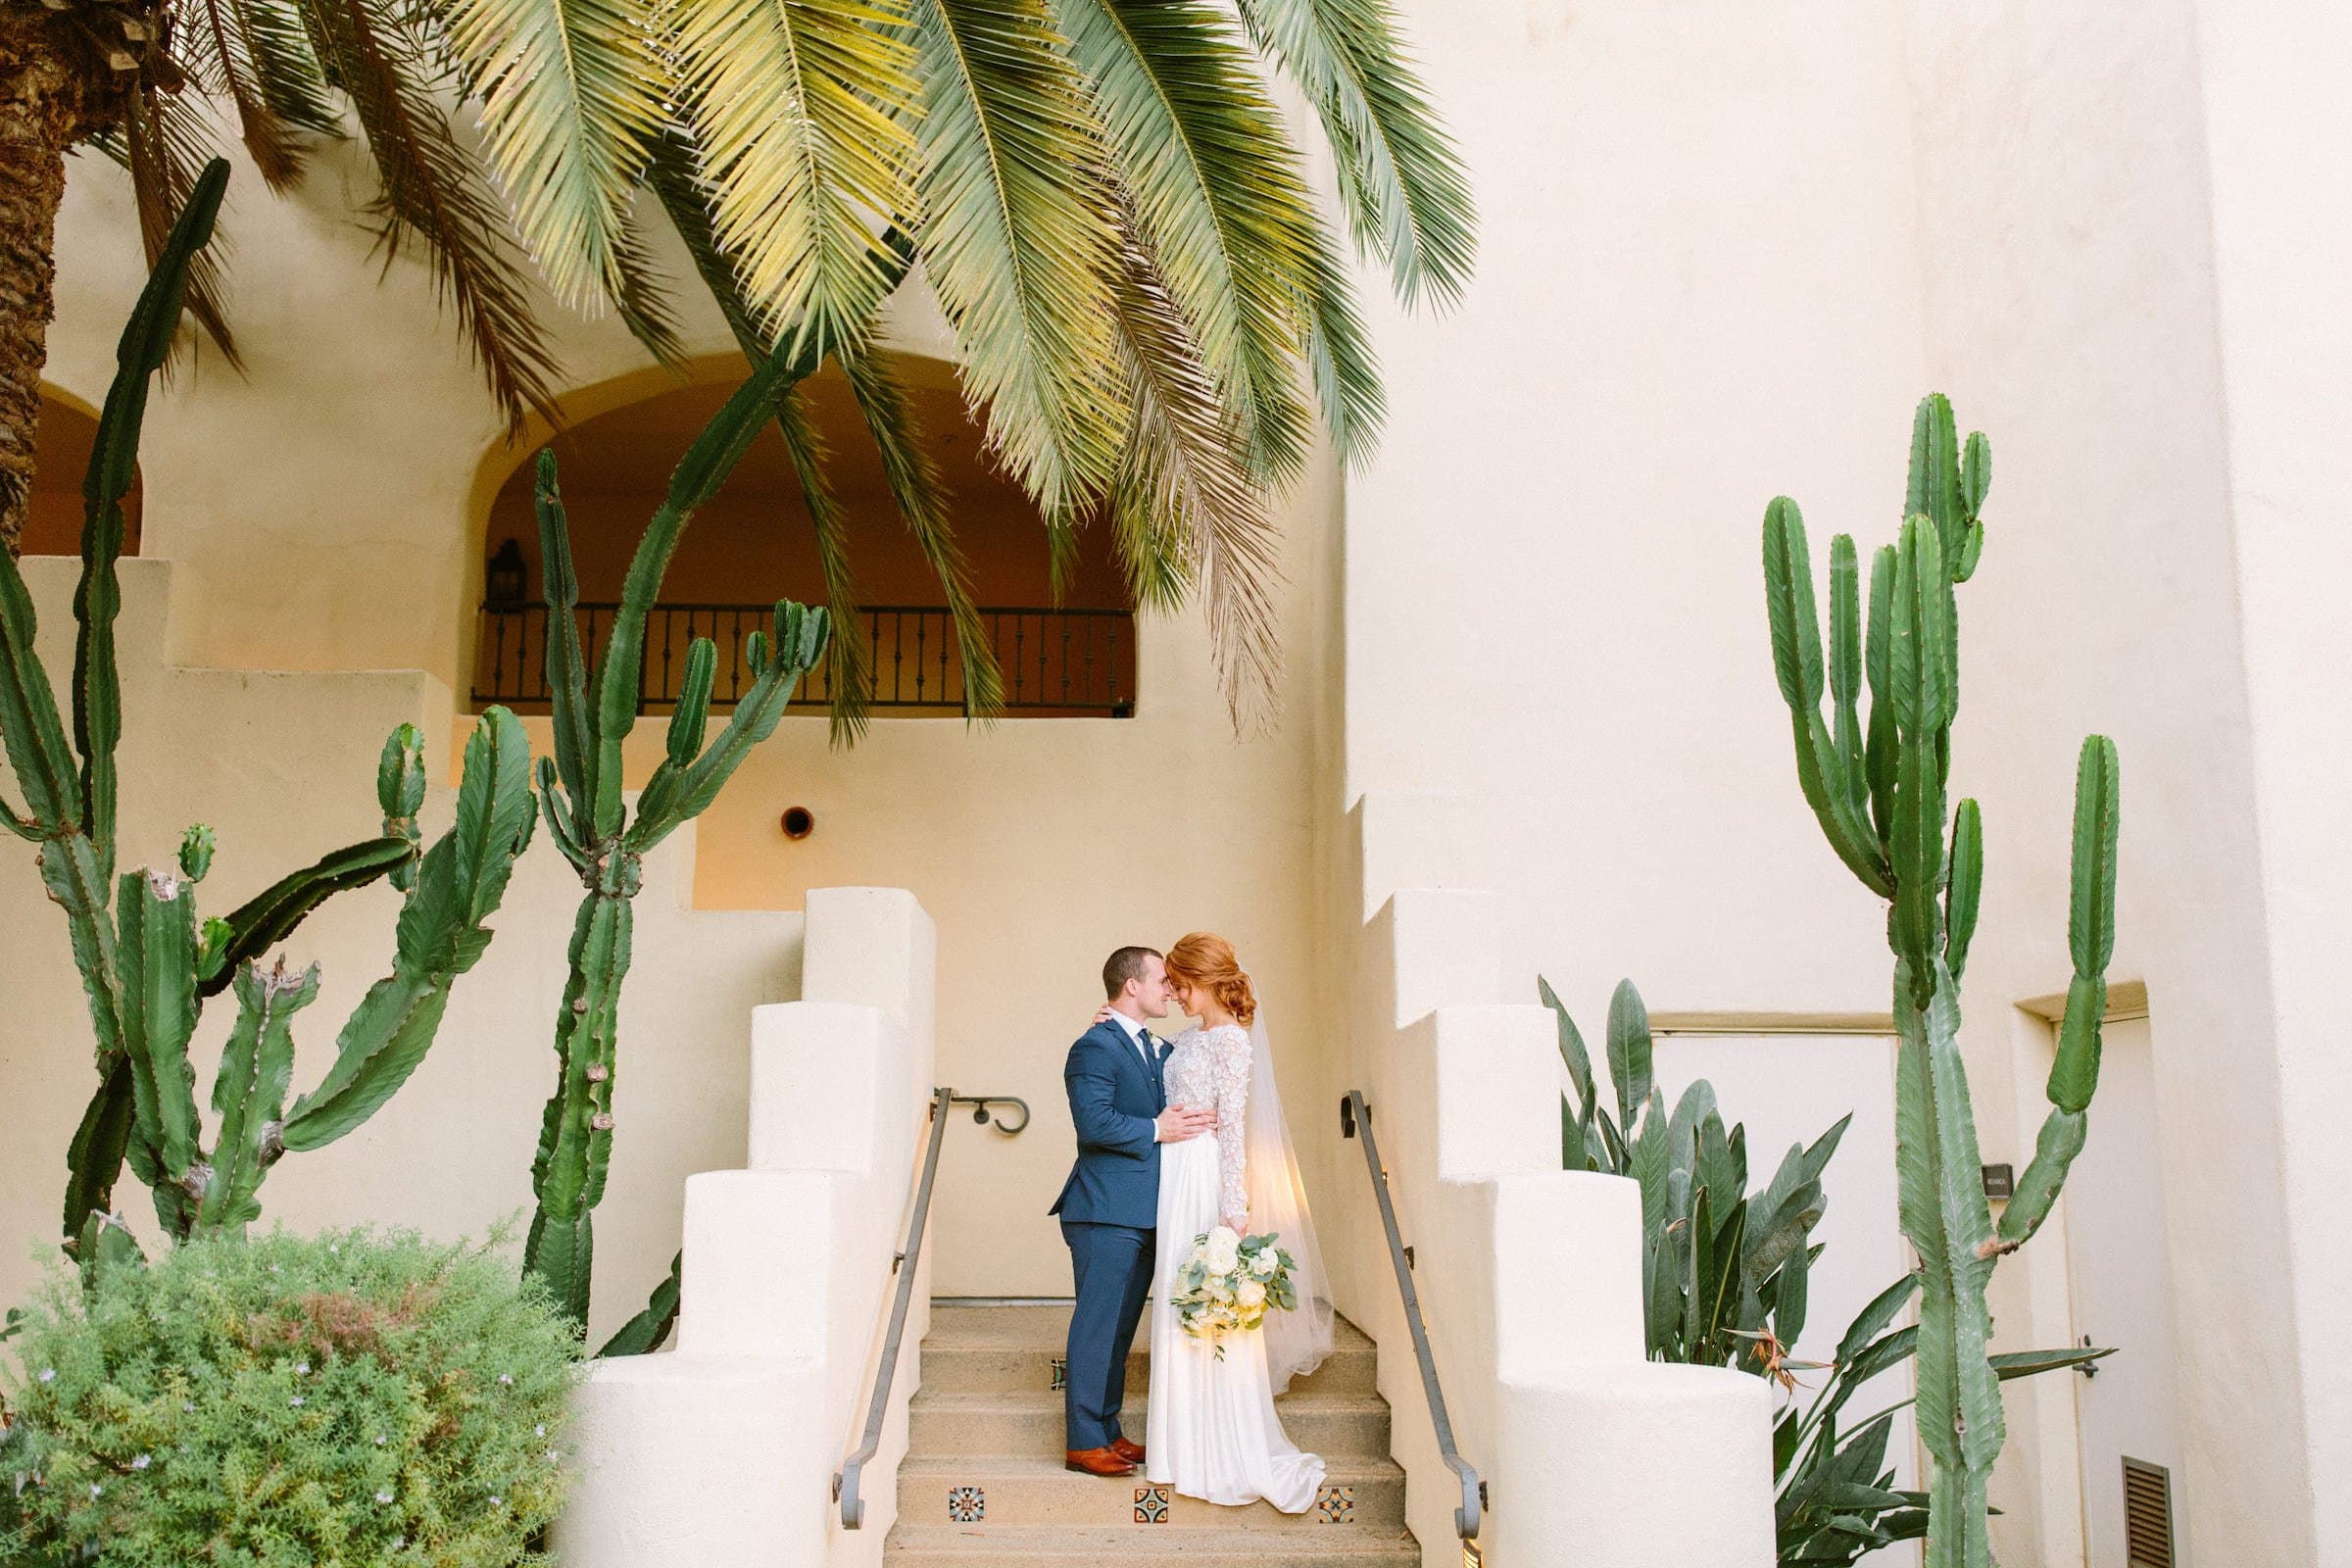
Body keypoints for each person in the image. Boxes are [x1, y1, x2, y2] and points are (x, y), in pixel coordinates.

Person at [1144, 932, 1334, 1511]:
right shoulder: (1184, 1040)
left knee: (1206, 1299)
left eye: (1180, 984)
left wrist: (1233, 1207)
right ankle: (1177, 1444)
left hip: (1204, 1176)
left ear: (1202, 981)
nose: (1175, 994)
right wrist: (1114, 1018)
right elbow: (1149, 1060)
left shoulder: (1231, 1042)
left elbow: (1231, 1128)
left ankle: (1218, 1441)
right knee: (1176, 1296)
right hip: (1173, 1176)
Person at [1047, 946, 1215, 1477]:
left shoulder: (1152, 1046)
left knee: (1120, 1329)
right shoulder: (1093, 1046)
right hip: (1103, 1210)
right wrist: (1157, 1129)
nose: (1169, 988)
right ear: (1132, 986)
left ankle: (1107, 1430)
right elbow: (1094, 1123)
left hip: (1145, 1212)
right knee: (1097, 1326)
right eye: (1162, 980)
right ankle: (1082, 1442)